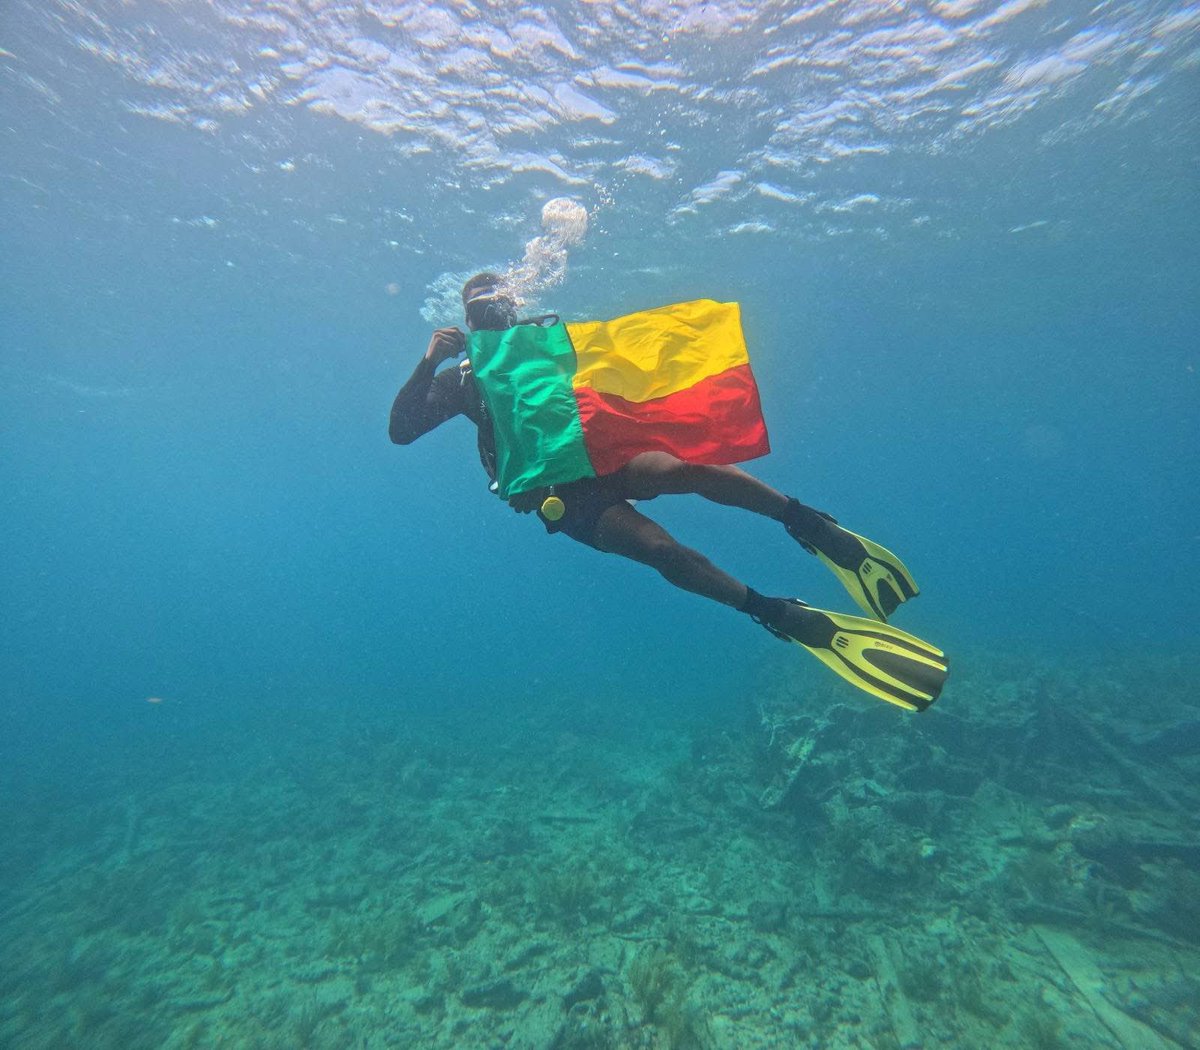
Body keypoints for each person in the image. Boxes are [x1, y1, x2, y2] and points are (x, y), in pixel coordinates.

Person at [389, 273, 947, 710]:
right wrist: (428, 359)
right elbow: (403, 429)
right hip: (559, 493)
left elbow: (620, 366)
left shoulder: (552, 343)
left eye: (497, 303)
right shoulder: (462, 379)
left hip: (602, 458)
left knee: (685, 469)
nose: (491, 313)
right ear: (466, 320)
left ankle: (803, 520)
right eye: (478, 308)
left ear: (513, 306)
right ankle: (770, 610)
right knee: (661, 551)